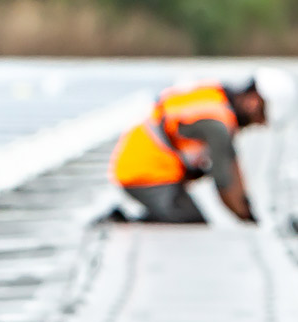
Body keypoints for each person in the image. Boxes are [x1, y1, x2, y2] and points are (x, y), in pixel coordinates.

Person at [109, 80, 266, 224]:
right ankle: (123, 223)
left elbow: (229, 164)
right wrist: (246, 216)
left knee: (188, 217)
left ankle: (133, 219)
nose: (260, 123)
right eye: (262, 116)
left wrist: (244, 206)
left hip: (149, 167)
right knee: (189, 221)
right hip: (144, 171)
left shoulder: (215, 102)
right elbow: (224, 178)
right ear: (253, 101)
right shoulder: (218, 122)